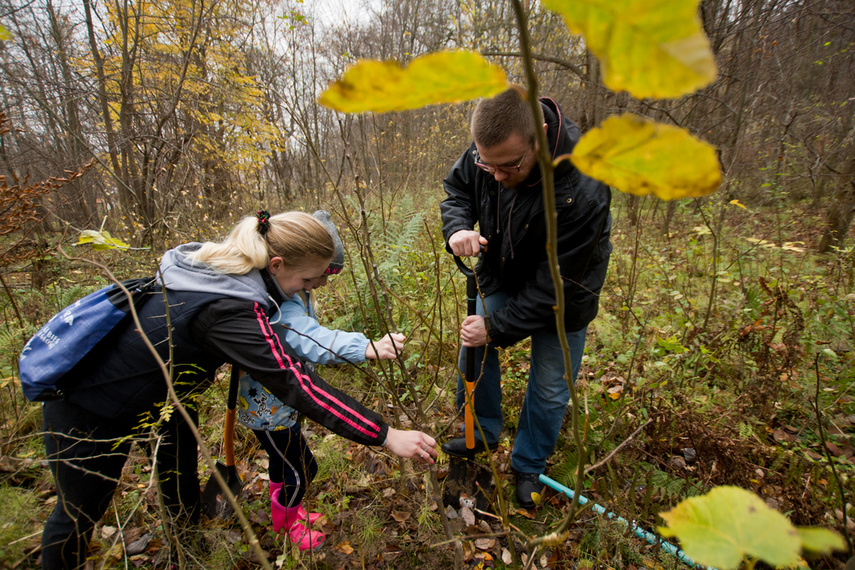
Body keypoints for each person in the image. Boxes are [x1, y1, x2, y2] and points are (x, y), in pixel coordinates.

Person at [39, 211, 437, 569]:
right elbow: (297, 385)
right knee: (79, 513)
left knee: (179, 486)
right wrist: (385, 434)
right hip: (90, 406)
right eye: (307, 279)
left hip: (169, 401)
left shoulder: (222, 274)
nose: (306, 289)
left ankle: (188, 553)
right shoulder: (228, 307)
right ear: (276, 264)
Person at [439, 87, 612, 509]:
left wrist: (495, 327)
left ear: (540, 136)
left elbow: (555, 287)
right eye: (487, 164)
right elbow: (458, 189)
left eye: (508, 166)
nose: (495, 175)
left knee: (552, 385)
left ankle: (528, 464)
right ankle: (478, 431)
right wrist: (458, 228)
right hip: (500, 272)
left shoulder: (584, 185)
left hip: (564, 297)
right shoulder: (495, 142)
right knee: (474, 351)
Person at [238, 210, 406, 551]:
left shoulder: (281, 287)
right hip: (270, 413)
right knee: (299, 470)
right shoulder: (276, 303)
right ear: (282, 266)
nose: (320, 285)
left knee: (288, 464)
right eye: (314, 279)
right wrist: (366, 347)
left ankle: (289, 512)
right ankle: (287, 526)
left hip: (282, 406)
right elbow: (310, 337)